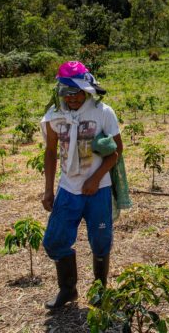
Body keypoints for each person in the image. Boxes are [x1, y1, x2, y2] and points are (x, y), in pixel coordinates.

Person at [40, 61, 123, 309]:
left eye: (77, 92)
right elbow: (51, 152)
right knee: (54, 241)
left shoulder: (103, 112)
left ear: (86, 90)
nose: (72, 98)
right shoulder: (54, 116)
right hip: (69, 188)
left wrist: (95, 179)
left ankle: (100, 290)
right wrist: (48, 189)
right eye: (67, 92)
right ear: (59, 91)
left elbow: (117, 150)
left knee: (100, 240)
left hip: (99, 188)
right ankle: (68, 289)